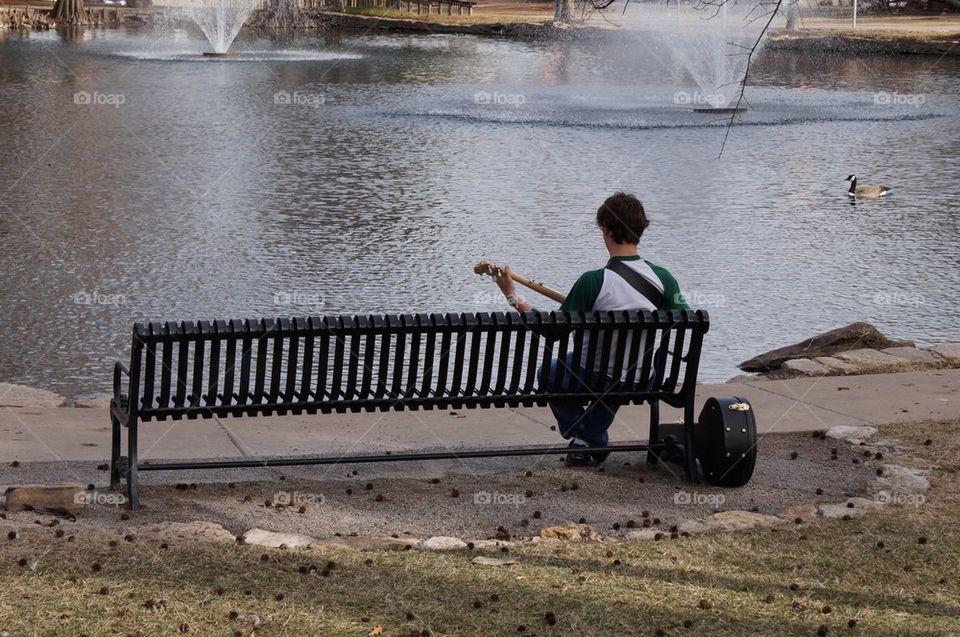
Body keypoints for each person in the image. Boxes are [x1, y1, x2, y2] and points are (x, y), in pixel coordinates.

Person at [493, 192, 689, 465]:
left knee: (548, 373)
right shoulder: (665, 279)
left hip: (591, 375)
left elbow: (552, 331)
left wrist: (512, 296)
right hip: (644, 379)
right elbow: (685, 317)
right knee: (621, 374)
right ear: (641, 230)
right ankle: (589, 438)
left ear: (605, 230)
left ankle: (590, 439)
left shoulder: (592, 282)